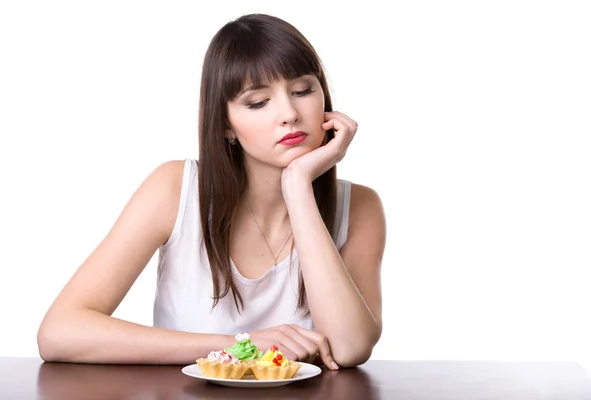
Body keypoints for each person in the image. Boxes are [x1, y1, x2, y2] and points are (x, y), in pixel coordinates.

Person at [37, 13, 386, 370]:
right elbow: (60, 332)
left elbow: (350, 348)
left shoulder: (360, 206)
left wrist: (298, 187)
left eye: (302, 91)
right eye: (257, 102)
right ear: (225, 126)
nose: (289, 114)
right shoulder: (174, 188)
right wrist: (237, 346)